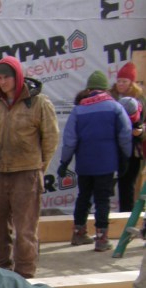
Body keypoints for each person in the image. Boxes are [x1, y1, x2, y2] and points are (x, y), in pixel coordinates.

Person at [0, 56, 59, 278]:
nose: (2, 82)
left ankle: (25, 276)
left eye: (6, 77)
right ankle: (0, 273)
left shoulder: (38, 103)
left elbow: (51, 139)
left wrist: (38, 168)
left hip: (27, 172)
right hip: (1, 172)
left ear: (17, 76)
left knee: (25, 230)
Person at [59, 70, 132, 251]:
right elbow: (125, 135)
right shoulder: (115, 107)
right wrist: (126, 157)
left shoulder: (78, 110)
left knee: (83, 197)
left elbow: (70, 140)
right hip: (107, 163)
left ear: (89, 89)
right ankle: (101, 239)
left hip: (85, 163)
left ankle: (78, 234)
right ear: (105, 89)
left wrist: (64, 162)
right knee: (102, 200)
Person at [110, 62, 146, 212]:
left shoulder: (140, 100)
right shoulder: (111, 97)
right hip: (114, 147)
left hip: (133, 149)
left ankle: (126, 214)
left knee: (128, 184)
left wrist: (140, 132)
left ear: (131, 83)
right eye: (119, 81)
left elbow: (143, 124)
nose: (120, 84)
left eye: (124, 81)